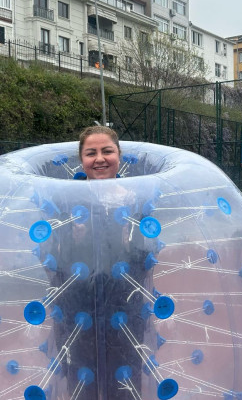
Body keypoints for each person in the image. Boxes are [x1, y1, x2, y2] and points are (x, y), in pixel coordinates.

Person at [44, 126, 151, 398]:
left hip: (124, 309)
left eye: (107, 151)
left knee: (125, 379)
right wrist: (75, 239)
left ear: (119, 155)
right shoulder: (67, 202)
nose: (100, 159)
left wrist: (129, 242)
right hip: (79, 311)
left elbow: (145, 260)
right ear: (82, 160)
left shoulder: (136, 200)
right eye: (91, 153)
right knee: (81, 380)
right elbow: (57, 263)